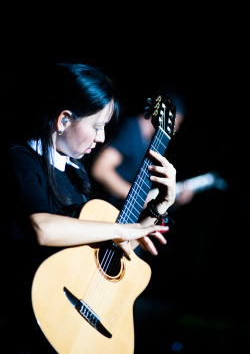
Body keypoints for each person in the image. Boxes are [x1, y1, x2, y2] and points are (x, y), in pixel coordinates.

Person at [2, 62, 176, 353]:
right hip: (21, 314)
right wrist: (123, 228)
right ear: (64, 120)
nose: (102, 138)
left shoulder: (76, 173)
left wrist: (160, 205)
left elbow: (108, 252)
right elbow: (43, 229)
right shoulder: (20, 159)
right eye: (97, 126)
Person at [90, 91, 188, 212]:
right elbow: (100, 169)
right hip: (99, 208)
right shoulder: (131, 130)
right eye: (176, 122)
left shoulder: (149, 140)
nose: (176, 129)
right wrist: (138, 198)